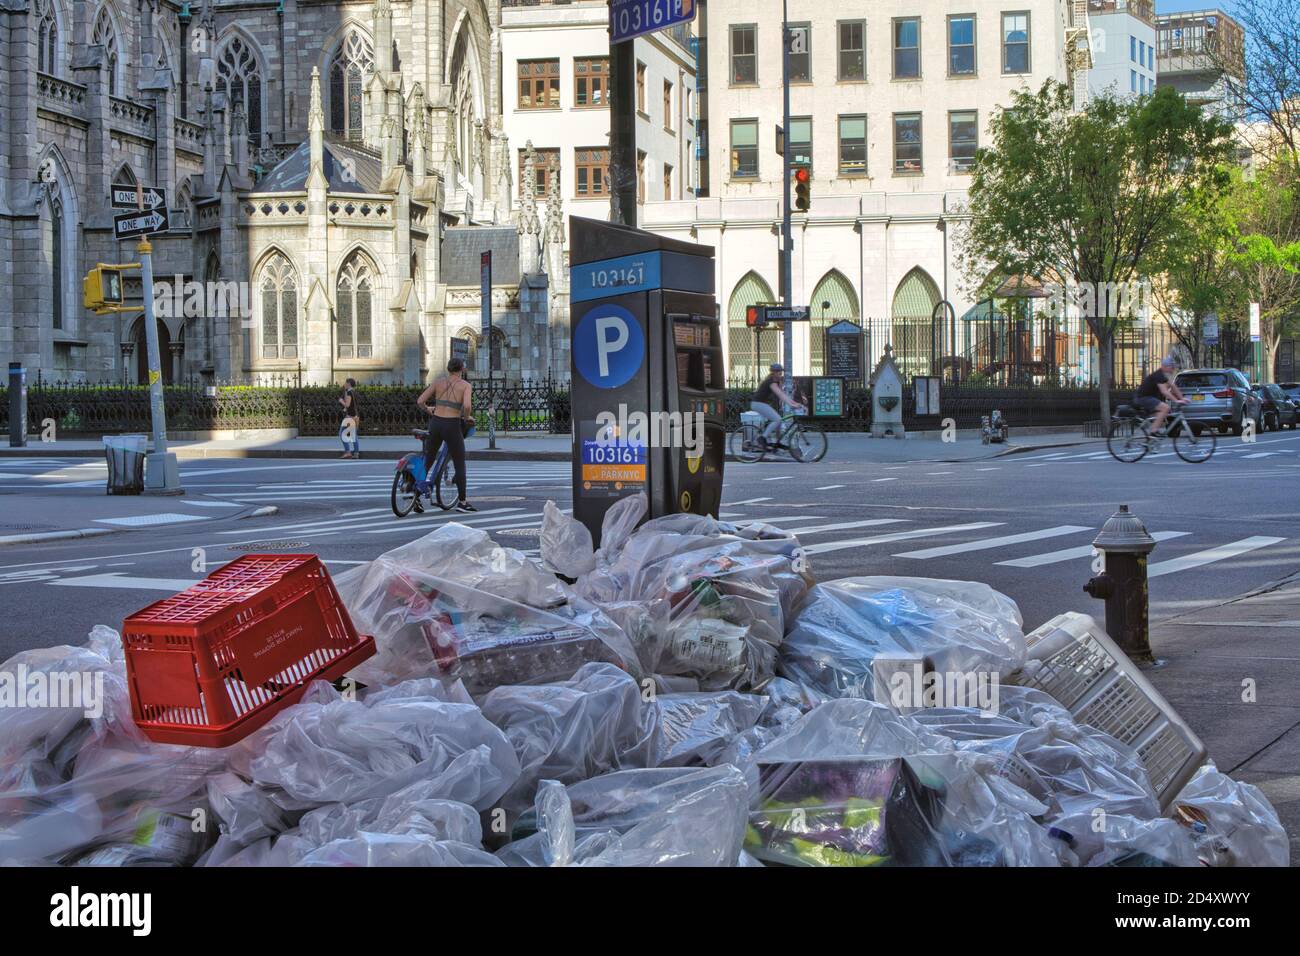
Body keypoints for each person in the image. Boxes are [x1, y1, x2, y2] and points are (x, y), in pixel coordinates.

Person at [415, 357, 477, 512]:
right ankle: (462, 502)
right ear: (462, 369)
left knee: (428, 459)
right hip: (452, 425)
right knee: (459, 463)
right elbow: (467, 405)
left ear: (448, 369)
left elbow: (420, 401)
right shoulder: (465, 386)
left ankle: (415, 496)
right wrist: (467, 416)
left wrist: (428, 409)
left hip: (436, 423)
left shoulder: (438, 382)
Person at [751, 363, 806, 448]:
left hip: (761, 404)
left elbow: (783, 395)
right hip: (758, 404)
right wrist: (792, 404)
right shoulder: (771, 382)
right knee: (777, 419)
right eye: (779, 373)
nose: (781, 375)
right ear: (774, 373)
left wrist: (794, 403)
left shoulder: (775, 381)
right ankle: (762, 438)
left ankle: (777, 442)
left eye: (781, 373)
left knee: (779, 422)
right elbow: (780, 395)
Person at [1133, 356, 1185, 435]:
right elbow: (1164, 391)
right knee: (1166, 408)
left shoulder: (1164, 375)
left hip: (1150, 398)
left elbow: (1173, 386)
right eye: (1171, 367)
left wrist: (1182, 398)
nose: (1173, 369)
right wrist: (1176, 401)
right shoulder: (1158, 375)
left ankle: (1152, 438)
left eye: (1173, 367)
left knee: (1161, 415)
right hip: (1143, 398)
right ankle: (1153, 432)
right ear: (1164, 366)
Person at [338, 378, 360, 459]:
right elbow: (353, 405)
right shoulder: (354, 392)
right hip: (355, 416)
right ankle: (356, 453)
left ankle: (348, 452)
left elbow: (347, 405)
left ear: (349, 384)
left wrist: (341, 401)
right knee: (353, 435)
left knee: (341, 433)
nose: (344, 384)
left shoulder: (349, 392)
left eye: (346, 382)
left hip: (349, 417)